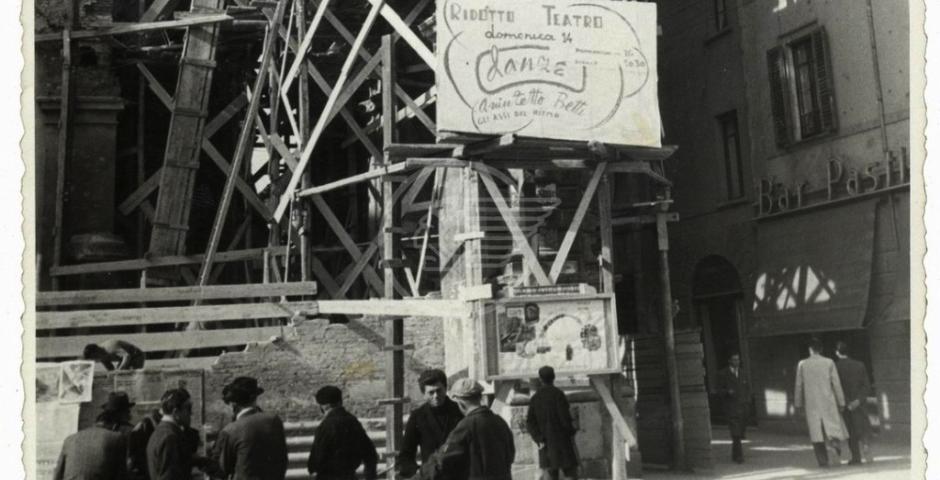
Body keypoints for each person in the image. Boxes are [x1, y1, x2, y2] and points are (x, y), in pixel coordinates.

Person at [419, 378, 515, 480]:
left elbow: (443, 461)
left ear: (460, 403)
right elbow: (510, 455)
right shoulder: (500, 422)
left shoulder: (466, 426)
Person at [213, 376, 289, 480]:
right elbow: (283, 460)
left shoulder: (231, 431)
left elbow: (222, 470)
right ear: (255, 398)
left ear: (234, 404)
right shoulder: (274, 421)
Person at [399, 369, 464, 478]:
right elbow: (405, 455)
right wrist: (419, 473)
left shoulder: (460, 411)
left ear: (445, 388)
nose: (436, 396)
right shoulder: (417, 416)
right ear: (424, 394)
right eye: (431, 392)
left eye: (439, 390)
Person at [53, 392, 133, 480]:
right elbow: (122, 475)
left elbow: (57, 475)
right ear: (117, 424)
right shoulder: (117, 439)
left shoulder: (70, 440)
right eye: (128, 415)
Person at [794, 337, 848, 467]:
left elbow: (799, 385)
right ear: (821, 349)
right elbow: (836, 384)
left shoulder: (803, 364)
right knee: (833, 428)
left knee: (816, 433)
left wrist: (798, 404)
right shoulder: (829, 362)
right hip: (828, 401)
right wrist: (841, 402)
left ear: (810, 349)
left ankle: (822, 461)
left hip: (812, 404)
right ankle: (835, 450)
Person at [307, 385, 378, 480]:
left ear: (324, 406)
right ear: (340, 402)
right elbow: (370, 453)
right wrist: (370, 476)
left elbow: (315, 460)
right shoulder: (353, 421)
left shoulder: (325, 426)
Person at [526, 366, 579, 480]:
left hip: (545, 444)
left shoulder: (535, 398)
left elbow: (530, 422)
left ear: (540, 379)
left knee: (550, 474)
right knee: (570, 473)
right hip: (562, 442)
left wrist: (539, 438)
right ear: (553, 377)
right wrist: (571, 431)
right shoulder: (559, 395)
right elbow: (564, 419)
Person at [835, 341, 874, 464]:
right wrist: (858, 400)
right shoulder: (860, 365)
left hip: (846, 405)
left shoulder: (835, 367)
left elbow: (837, 387)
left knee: (850, 430)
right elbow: (867, 386)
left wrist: (846, 402)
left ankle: (856, 458)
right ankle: (867, 449)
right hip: (859, 403)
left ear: (837, 352)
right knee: (863, 426)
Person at [147, 388, 194, 480]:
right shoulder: (170, 438)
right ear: (176, 412)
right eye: (188, 408)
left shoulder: (160, 431)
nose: (191, 413)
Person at [716, 352, 750, 464]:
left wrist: (747, 402)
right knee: (735, 432)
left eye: (738, 359)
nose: (737, 362)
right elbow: (718, 390)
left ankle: (735, 454)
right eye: (734, 360)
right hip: (731, 407)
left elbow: (747, 388)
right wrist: (727, 392)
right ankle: (739, 456)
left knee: (739, 432)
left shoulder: (743, 373)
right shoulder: (722, 374)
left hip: (742, 407)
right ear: (729, 361)